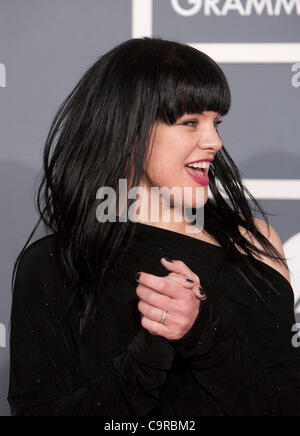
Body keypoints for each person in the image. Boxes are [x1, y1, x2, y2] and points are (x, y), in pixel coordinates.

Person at [8, 37, 300, 416]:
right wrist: (146, 357)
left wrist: (202, 333)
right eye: (190, 122)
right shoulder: (54, 265)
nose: (213, 141)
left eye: (216, 123)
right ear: (131, 131)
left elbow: (287, 403)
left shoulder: (255, 242)